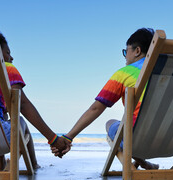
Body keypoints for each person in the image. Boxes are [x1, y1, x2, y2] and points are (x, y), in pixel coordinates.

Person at [55, 28, 158, 170]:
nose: (125, 56)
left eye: (125, 51)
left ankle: (141, 164)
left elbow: (96, 108)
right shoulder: (171, 73)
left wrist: (68, 137)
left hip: (138, 140)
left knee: (111, 123)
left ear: (137, 51)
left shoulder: (125, 73)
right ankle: (145, 163)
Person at [0, 28, 69, 170]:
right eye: (8, 53)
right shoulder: (5, 68)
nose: (11, 58)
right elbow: (22, 105)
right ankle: (33, 164)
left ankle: (0, 163)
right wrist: (53, 138)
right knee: (19, 121)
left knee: (0, 116)